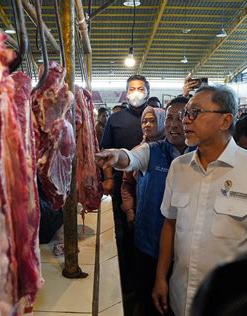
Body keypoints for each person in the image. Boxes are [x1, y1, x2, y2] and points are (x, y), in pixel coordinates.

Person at [152, 85, 247, 316]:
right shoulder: (179, 168)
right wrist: (160, 278)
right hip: (181, 298)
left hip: (233, 304)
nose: (185, 121)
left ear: (225, 120)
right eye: (184, 113)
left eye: (194, 112)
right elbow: (170, 225)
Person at [96, 96, 193, 316]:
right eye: (169, 118)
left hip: (186, 252)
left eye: (181, 117)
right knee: (148, 302)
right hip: (149, 244)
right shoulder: (152, 150)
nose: (173, 124)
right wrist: (116, 155)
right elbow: (130, 157)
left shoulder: (200, 156)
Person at [100, 74, 150, 312]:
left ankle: (145, 279)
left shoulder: (156, 116)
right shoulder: (116, 119)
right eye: (132, 88)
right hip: (123, 185)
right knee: (125, 232)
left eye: (140, 88)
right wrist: (109, 178)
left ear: (148, 91)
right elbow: (106, 150)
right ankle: (127, 280)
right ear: (126, 92)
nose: (136, 92)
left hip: (152, 183)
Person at [121, 106, 166, 228]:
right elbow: (127, 184)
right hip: (143, 213)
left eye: (152, 121)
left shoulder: (172, 151)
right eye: (144, 121)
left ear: (163, 122)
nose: (147, 125)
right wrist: (129, 209)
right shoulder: (137, 151)